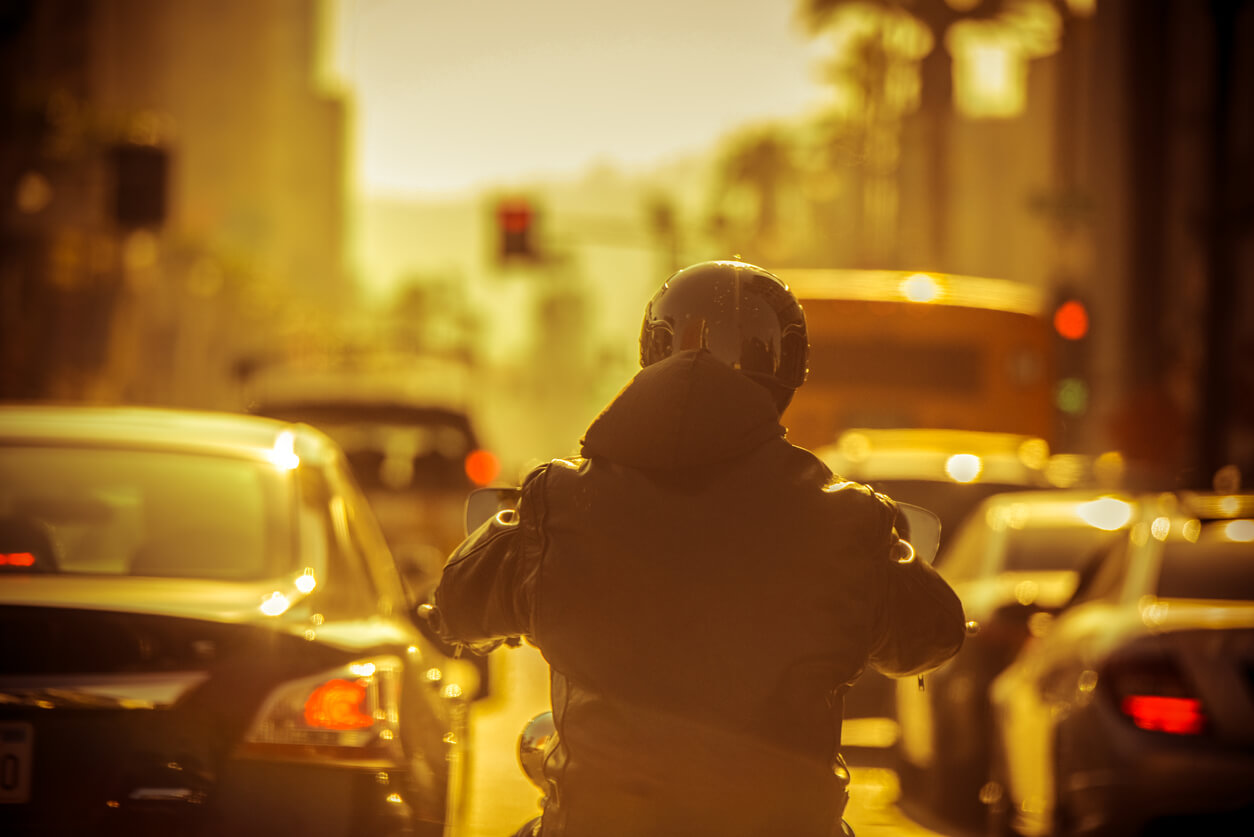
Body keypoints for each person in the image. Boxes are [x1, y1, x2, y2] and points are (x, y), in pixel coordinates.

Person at [430, 260, 966, 837]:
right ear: (787, 368)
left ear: (652, 349)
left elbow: (457, 606)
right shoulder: (848, 520)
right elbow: (934, 635)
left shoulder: (558, 501)